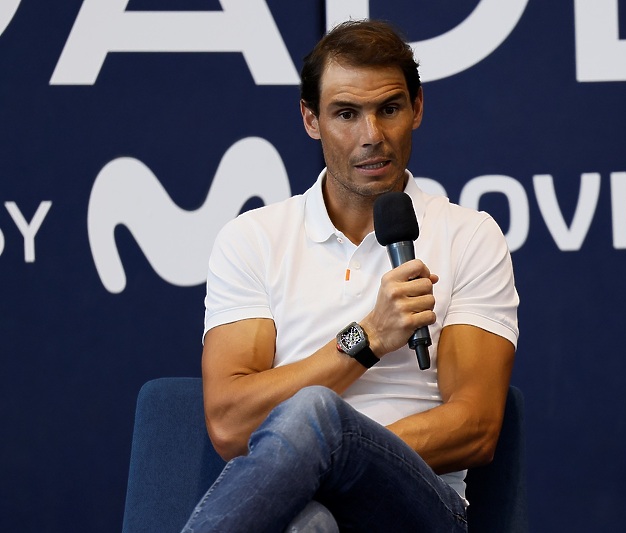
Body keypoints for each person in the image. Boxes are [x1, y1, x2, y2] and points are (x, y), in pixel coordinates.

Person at [181, 19, 519, 533]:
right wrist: (367, 339)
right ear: (310, 120)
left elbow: (476, 426)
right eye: (345, 113)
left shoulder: (470, 236)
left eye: (389, 109)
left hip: (422, 506)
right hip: (297, 503)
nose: (372, 137)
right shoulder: (251, 239)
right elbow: (229, 423)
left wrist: (340, 450)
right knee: (309, 525)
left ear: (417, 109)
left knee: (316, 413)